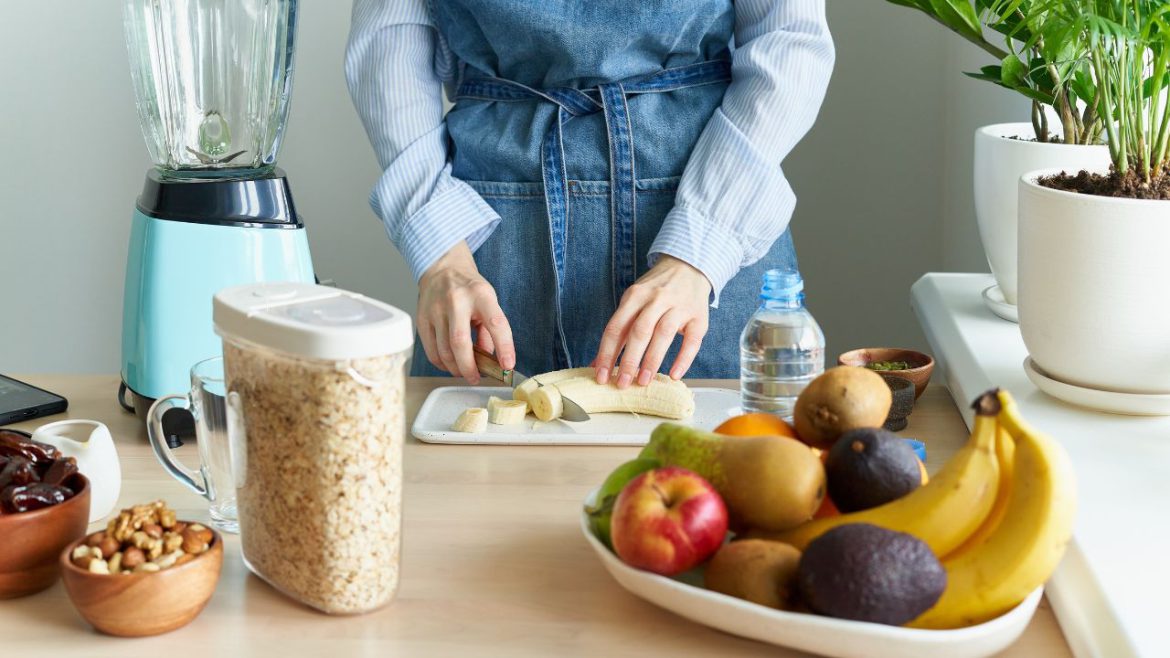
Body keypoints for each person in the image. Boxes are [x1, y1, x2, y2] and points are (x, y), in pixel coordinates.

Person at [346, 0, 834, 387]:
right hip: (489, 256)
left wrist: (697, 253)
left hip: (711, 235)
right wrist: (442, 256)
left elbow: (789, 42)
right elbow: (387, 47)